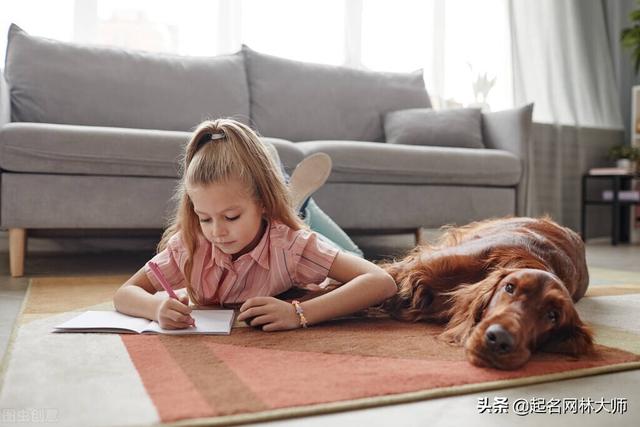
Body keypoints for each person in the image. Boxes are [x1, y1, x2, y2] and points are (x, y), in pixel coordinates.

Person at [113, 118, 397, 331]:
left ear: (262, 203)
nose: (217, 232)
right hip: (271, 220)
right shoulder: (190, 242)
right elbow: (125, 294)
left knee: (352, 256)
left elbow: (381, 282)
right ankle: (294, 199)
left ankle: (300, 204)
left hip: (287, 235)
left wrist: (298, 313)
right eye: (205, 218)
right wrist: (156, 306)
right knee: (297, 223)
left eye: (231, 217)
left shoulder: (291, 245)